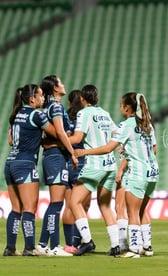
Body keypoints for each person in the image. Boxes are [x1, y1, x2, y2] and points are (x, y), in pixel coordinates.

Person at [75, 92, 159, 258]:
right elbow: (154, 149)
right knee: (142, 210)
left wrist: (84, 151)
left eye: (121, 105)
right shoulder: (148, 125)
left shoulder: (126, 125)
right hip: (153, 172)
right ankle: (147, 247)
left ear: (127, 108)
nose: (120, 108)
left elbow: (108, 148)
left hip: (137, 173)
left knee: (133, 212)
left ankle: (134, 249)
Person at [3, 84, 56, 256]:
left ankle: (10, 248)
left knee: (16, 208)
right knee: (29, 208)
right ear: (32, 98)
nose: (43, 99)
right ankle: (29, 247)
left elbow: (11, 141)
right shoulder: (36, 115)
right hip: (25, 164)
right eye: (40, 96)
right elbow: (55, 132)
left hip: (10, 162)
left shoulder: (16, 115)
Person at [68, 84, 120, 257]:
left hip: (94, 165)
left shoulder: (84, 113)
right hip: (111, 165)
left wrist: (61, 137)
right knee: (105, 205)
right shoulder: (105, 114)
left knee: (75, 202)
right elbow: (116, 133)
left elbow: (77, 137)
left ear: (82, 99)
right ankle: (115, 246)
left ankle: (87, 240)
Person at [36, 75, 77, 257]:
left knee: (56, 203)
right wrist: (72, 152)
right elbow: (60, 131)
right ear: (54, 88)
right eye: (60, 82)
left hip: (52, 156)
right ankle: (54, 246)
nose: (63, 84)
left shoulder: (45, 108)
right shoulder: (57, 106)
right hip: (56, 157)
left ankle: (43, 244)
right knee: (57, 203)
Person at [61, 90, 91, 254]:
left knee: (70, 205)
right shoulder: (86, 117)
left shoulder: (64, 118)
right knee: (83, 206)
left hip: (67, 163)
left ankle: (69, 244)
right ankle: (79, 242)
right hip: (84, 163)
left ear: (69, 103)